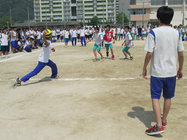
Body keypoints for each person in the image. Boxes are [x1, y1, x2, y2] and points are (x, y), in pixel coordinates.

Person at [142, 6, 184, 135]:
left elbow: (149, 53)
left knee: (155, 97)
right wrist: (180, 68)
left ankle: (159, 125)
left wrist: (144, 68)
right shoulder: (177, 33)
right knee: (168, 97)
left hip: (157, 72)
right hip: (171, 72)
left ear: (158, 18)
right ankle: (164, 120)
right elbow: (181, 54)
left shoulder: (153, 32)